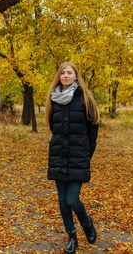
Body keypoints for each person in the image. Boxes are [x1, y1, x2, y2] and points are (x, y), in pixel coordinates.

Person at [44, 62, 99, 254]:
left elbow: (93, 129)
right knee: (61, 200)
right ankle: (72, 237)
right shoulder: (54, 98)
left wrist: (86, 154)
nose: (66, 76)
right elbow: (54, 128)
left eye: (69, 73)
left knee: (72, 200)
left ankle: (87, 223)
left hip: (78, 157)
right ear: (59, 77)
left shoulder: (85, 98)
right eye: (62, 73)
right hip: (59, 156)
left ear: (76, 76)